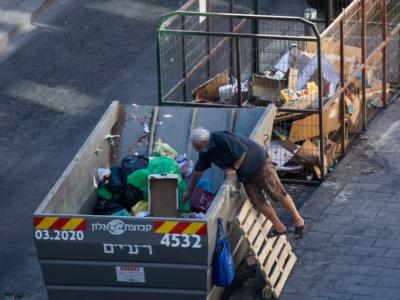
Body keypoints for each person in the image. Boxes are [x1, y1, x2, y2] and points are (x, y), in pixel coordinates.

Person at [182, 127, 306, 239]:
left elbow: (242, 152)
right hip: (245, 173)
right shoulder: (205, 151)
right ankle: (279, 227)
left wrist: (234, 168)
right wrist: (189, 192)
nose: (195, 149)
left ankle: (298, 220)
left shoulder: (221, 137)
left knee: (277, 193)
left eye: (196, 146)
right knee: (258, 202)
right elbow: (198, 171)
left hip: (259, 164)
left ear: (204, 141)